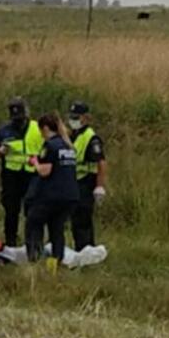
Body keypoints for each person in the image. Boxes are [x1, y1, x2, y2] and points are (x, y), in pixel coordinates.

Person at [23, 113, 79, 272]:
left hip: (51, 196)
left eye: (41, 131)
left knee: (33, 224)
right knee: (57, 230)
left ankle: (34, 261)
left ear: (45, 128)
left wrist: (35, 161)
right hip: (69, 196)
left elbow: (44, 171)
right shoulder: (68, 146)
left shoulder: (50, 146)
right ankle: (54, 267)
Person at [0, 97, 42, 247]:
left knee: (32, 211)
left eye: (20, 118)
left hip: (32, 174)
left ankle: (33, 242)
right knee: (11, 210)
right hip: (11, 176)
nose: (18, 122)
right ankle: (11, 242)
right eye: (15, 119)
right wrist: (0, 151)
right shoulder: (4, 130)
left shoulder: (37, 128)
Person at [68, 101, 108, 251]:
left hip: (85, 182)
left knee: (82, 220)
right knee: (76, 220)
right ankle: (83, 250)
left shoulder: (91, 138)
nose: (73, 120)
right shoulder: (74, 135)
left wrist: (99, 186)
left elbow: (101, 162)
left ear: (86, 117)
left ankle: (85, 250)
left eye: (77, 117)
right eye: (72, 117)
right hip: (74, 182)